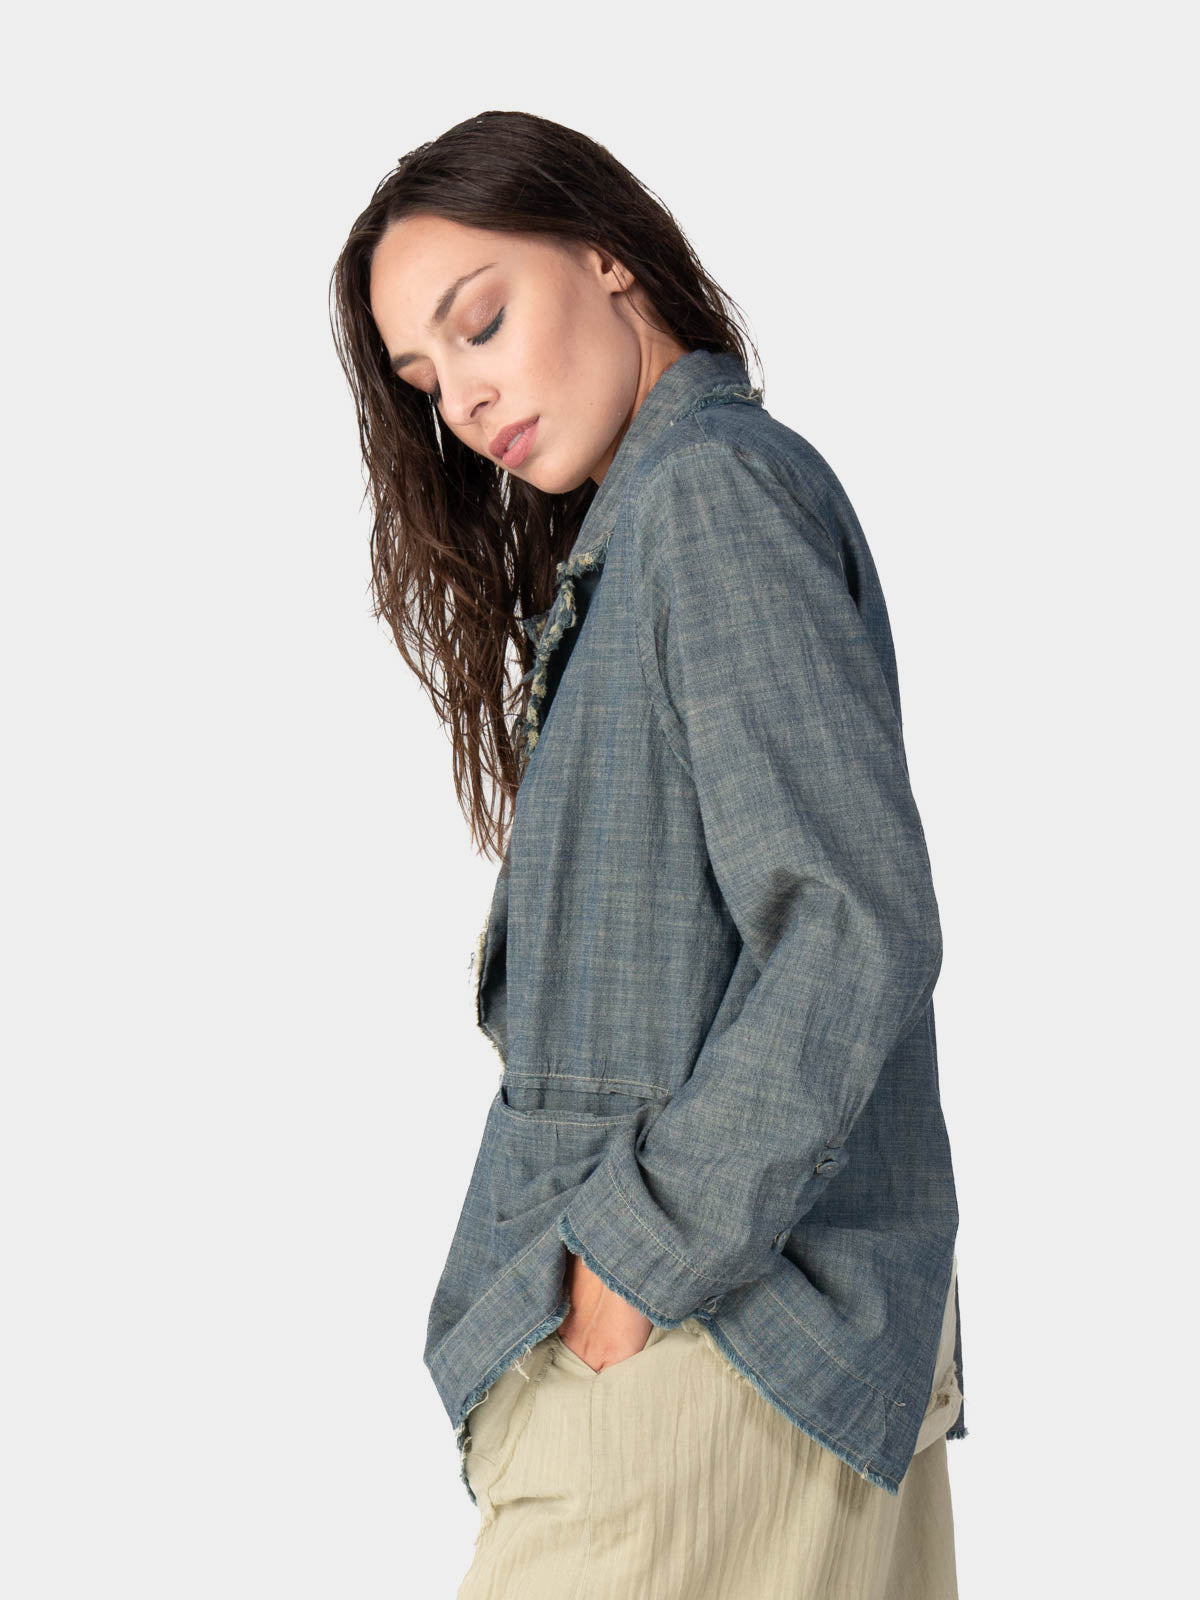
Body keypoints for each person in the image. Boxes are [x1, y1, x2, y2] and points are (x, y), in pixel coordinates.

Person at [330, 109, 967, 1599]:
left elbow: (852, 919)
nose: (467, 398)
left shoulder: (708, 499)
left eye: (480, 321)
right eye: (428, 381)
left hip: (715, 1345)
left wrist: (635, 1260)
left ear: (605, 254)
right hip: (759, 1348)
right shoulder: (668, 515)